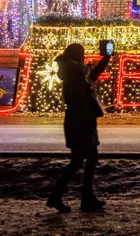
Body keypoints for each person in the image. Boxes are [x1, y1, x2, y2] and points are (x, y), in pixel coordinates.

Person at [46, 43, 111, 213]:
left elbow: (92, 75)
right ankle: (77, 197)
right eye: (82, 54)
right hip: (80, 122)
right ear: (77, 56)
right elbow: (78, 96)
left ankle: (71, 196)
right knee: (84, 159)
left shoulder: (75, 72)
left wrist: (106, 58)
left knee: (81, 159)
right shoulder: (75, 73)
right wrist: (87, 115)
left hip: (80, 121)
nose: (84, 57)